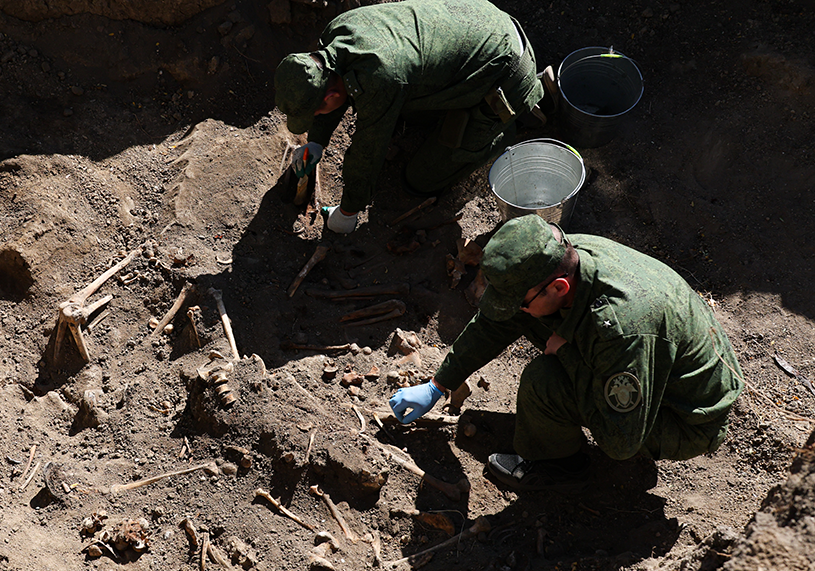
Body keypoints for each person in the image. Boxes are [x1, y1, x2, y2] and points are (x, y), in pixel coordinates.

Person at [389, 215, 743, 491]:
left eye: (521, 302)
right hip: (663, 366)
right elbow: (497, 322)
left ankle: (558, 466)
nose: (516, 309)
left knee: (544, 381)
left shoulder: (620, 328)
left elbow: (621, 442)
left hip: (685, 416)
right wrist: (439, 383)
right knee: (532, 320)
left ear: (559, 287)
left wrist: (567, 355)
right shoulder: (565, 256)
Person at [274, 0, 554, 234]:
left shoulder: (379, 77)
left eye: (316, 113)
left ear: (329, 98)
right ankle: (462, 104)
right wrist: (317, 143)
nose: (317, 117)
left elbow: (367, 152)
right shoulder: (335, 35)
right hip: (481, 22)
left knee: (419, 181)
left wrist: (348, 211)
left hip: (506, 69)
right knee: (405, 112)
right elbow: (327, 91)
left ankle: (517, 115)